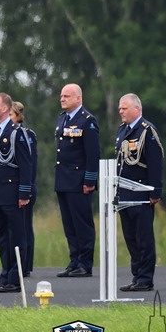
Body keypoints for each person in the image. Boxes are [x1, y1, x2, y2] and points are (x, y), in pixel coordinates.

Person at [115, 94, 164, 292]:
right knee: (131, 238)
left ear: (137, 109)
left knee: (143, 238)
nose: (121, 111)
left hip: (142, 193)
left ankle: (145, 278)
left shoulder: (146, 131)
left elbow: (155, 162)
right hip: (125, 194)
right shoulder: (122, 131)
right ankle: (137, 276)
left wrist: (155, 191)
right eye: (119, 108)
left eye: (124, 108)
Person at [54, 83, 100, 278]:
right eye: (62, 96)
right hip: (63, 179)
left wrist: (89, 180)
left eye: (67, 96)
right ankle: (74, 260)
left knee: (82, 223)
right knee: (69, 224)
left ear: (78, 99)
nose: (62, 99)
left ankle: (85, 263)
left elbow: (92, 154)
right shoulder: (62, 119)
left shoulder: (87, 121)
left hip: (79, 181)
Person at [0, 93, 32, 293]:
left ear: (5, 108)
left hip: (13, 192)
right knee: (2, 236)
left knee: (16, 236)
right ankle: (5, 276)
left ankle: (15, 278)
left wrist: (24, 193)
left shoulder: (17, 133)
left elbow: (25, 165)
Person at [9, 101, 37, 278]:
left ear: (18, 116)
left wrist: (25, 189)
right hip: (10, 188)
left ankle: (25, 265)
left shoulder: (26, 135)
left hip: (25, 186)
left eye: (11, 115)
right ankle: (15, 263)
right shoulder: (3, 134)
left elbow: (29, 163)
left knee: (25, 226)